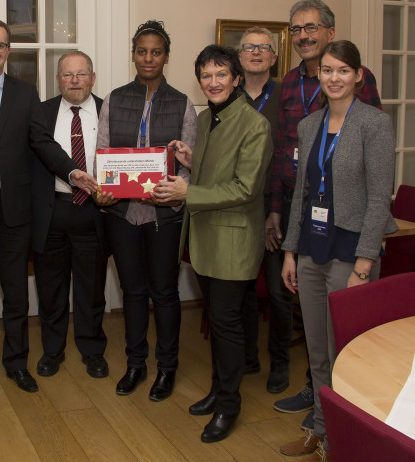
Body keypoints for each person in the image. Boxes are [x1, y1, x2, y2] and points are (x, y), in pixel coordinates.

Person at [0, 18, 97, 395]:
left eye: (0, 45)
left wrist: (71, 170)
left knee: (16, 294)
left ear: (8, 50)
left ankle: (16, 363)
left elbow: (41, 141)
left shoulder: (24, 91)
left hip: (17, 211)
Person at [278, 40, 397, 461]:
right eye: (327, 70)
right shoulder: (310, 125)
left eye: (342, 70)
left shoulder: (374, 124)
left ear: (358, 75)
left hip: (351, 250)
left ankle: (345, 439)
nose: (333, 77)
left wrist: (365, 262)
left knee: (346, 348)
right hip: (312, 245)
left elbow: (382, 196)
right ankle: (321, 429)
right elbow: (301, 194)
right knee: (317, 349)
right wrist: (290, 252)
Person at [157, 44, 272, 443]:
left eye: (221, 74)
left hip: (233, 243)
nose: (213, 82)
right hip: (205, 239)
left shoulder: (255, 125)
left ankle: (228, 405)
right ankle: (218, 390)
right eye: (206, 75)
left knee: (226, 325)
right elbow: (215, 170)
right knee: (222, 322)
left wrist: (186, 189)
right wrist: (191, 161)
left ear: (237, 79)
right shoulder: (208, 120)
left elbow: (244, 187)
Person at [94, 20, 196, 400]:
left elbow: (187, 163)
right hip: (122, 215)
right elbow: (102, 151)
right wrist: (103, 190)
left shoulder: (183, 103)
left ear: (166, 56)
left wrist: (175, 191)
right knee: (132, 292)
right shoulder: (115, 99)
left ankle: (166, 369)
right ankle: (136, 364)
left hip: (164, 217)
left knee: (165, 293)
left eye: (156, 51)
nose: (148, 58)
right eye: (142, 51)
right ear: (133, 54)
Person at [31, 51, 109, 379]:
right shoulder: (42, 112)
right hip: (52, 212)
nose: (74, 81)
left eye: (81, 74)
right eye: (67, 75)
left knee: (92, 288)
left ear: (92, 77)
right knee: (51, 287)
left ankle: (92, 349)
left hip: (96, 212)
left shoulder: (110, 112)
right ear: (58, 80)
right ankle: (53, 350)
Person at [236, 27, 293, 394]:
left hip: (277, 209)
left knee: (278, 291)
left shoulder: (286, 97)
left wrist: (275, 210)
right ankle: (248, 357)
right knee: (241, 289)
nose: (256, 53)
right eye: (248, 47)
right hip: (239, 210)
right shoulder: (226, 97)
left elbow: (288, 156)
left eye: (263, 48)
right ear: (239, 56)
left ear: (274, 57)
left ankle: (281, 362)